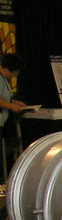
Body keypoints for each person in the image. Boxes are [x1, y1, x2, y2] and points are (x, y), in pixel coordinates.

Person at [0, 53, 26, 192]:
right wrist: (11, 107)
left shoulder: (4, 80)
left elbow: (5, 97)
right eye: (15, 72)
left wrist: (15, 102)